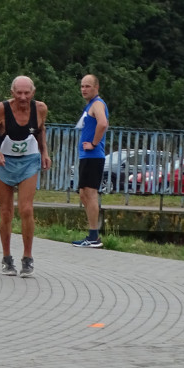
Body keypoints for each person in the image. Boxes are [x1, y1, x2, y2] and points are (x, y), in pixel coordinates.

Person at [0, 75, 51, 277]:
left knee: (26, 209)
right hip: (5, 162)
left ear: (33, 93)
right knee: (6, 212)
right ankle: (7, 257)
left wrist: (44, 152)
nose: (22, 97)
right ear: (12, 93)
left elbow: (40, 130)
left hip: (29, 161)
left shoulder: (40, 109)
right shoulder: (3, 109)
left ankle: (27, 258)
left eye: (26, 93)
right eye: (18, 93)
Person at [73, 74, 108, 248]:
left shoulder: (97, 104)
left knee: (90, 193)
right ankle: (91, 234)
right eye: (82, 86)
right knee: (83, 193)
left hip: (93, 156)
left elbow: (103, 123)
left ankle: (94, 236)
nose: (84, 89)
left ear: (96, 87)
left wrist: (93, 143)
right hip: (86, 157)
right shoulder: (90, 105)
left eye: (88, 86)